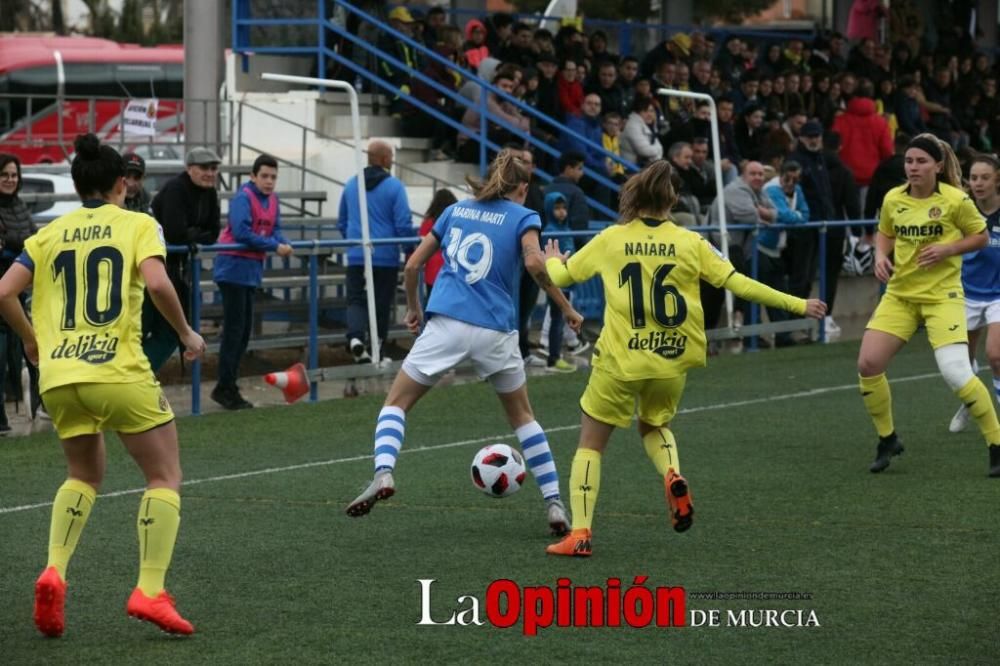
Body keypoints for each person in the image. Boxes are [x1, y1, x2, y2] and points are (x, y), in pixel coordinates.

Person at [543, 160, 827, 556]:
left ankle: (581, 534)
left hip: (621, 362)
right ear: (672, 199)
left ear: (634, 196)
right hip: (670, 360)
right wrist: (798, 304)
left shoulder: (612, 238)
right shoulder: (692, 242)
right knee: (655, 425)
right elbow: (738, 283)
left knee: (590, 445)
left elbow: (560, 277)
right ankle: (672, 473)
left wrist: (553, 258)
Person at [0, 134, 206, 637]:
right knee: (163, 476)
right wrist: (185, 332)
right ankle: (150, 590)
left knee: (84, 475)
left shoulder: (49, 234)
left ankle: (54, 571)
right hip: (117, 371)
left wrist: (31, 342)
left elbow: (4, 291)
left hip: (61, 375)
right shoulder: (138, 224)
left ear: (75, 185)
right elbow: (158, 283)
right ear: (121, 184)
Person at [345, 150, 583, 535]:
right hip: (494, 329)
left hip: (446, 323)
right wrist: (566, 307)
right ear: (523, 187)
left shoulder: (455, 210)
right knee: (523, 417)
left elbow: (412, 266)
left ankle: (384, 473)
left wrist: (414, 308)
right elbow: (536, 264)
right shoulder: (524, 216)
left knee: (398, 402)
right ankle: (554, 504)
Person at [858, 134, 1000, 477]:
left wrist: (948, 249)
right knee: (868, 363)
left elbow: (980, 235)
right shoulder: (894, 198)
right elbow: (885, 230)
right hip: (901, 296)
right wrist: (881, 255)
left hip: (943, 298)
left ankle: (996, 444)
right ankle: (887, 439)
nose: (913, 167)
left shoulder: (955, 200)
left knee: (955, 371)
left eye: (921, 161)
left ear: (938, 166)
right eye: (909, 161)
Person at [211, 154, 292, 410]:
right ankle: (225, 387)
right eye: (265, 176)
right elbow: (242, 231)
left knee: (243, 332)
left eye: (273, 177)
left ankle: (227, 385)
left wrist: (282, 241)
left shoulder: (273, 200)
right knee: (235, 331)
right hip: (233, 268)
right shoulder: (243, 198)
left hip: (250, 271)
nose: (269, 182)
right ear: (253, 177)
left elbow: (275, 228)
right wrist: (274, 245)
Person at [337, 140, 413, 363]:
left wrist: (352, 242)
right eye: (390, 155)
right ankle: (377, 348)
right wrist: (408, 248)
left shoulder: (351, 185)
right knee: (381, 303)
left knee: (355, 299)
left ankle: (356, 339)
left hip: (356, 254)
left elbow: (342, 221)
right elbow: (403, 223)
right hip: (385, 256)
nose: (392, 159)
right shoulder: (395, 187)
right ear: (382, 159)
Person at [147, 146, 221, 370]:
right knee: (151, 329)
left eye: (213, 168)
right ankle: (133, 377)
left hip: (178, 270)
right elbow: (174, 233)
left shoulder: (210, 193)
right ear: (190, 169)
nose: (210, 173)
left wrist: (190, 234)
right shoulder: (176, 189)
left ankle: (139, 376)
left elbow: (214, 234)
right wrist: (195, 233)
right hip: (156, 267)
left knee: (172, 332)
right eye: (204, 168)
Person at [949, 154, 1000, 437]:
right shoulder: (961, 210)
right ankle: (971, 400)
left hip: (998, 296)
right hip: (965, 292)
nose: (978, 183)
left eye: (985, 178)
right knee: (960, 363)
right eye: (974, 178)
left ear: (997, 180)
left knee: (996, 355)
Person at [0, 152, 40, 431]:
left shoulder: (21, 207)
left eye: (14, 175)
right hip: (4, 292)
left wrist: (14, 245)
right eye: (4, 174)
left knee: (34, 351)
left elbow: (34, 241)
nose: (10, 180)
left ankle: (41, 409)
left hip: (18, 293)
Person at [417, 188, 458, 301]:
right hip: (452, 267)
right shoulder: (456, 219)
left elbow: (422, 241)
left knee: (431, 300)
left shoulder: (428, 221)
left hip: (432, 267)